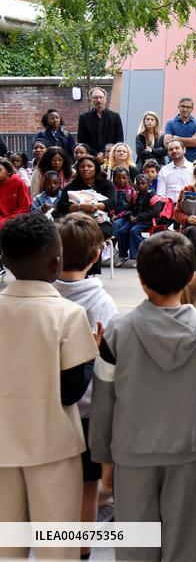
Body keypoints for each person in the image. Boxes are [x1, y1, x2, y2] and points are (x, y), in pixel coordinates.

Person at [89, 231, 196, 562]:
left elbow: (103, 402)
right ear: (189, 278)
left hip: (131, 456)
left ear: (140, 280)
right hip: (189, 457)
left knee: (135, 548)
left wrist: (104, 459)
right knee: (185, 548)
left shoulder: (117, 332)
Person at [0, 214, 97, 561]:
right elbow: (71, 391)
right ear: (56, 261)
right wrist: (91, 356)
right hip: (53, 446)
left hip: (3, 446)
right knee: (57, 544)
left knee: (6, 545)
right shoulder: (67, 314)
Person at [53, 214, 118, 558]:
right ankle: (82, 549)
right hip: (91, 411)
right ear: (96, 256)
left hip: (50, 409)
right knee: (86, 489)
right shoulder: (103, 302)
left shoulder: (47, 297)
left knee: (52, 483)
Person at [113, 173, 167, 267]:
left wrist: (138, 218)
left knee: (134, 231)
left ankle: (139, 255)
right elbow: (130, 207)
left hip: (147, 220)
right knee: (121, 231)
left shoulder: (153, 197)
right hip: (135, 219)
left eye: (143, 183)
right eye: (138, 183)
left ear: (148, 184)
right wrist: (129, 215)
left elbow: (154, 212)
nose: (140, 185)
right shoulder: (136, 195)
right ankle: (123, 255)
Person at [77, 87, 124, 159]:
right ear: (90, 100)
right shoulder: (84, 118)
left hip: (111, 157)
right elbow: (82, 141)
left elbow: (119, 140)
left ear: (105, 99)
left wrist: (106, 153)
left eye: (101, 97)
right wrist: (95, 154)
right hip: (91, 157)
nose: (98, 100)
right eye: (95, 98)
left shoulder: (115, 117)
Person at [163, 96, 196, 162]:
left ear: (192, 109)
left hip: (193, 162)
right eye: (183, 106)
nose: (185, 109)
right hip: (174, 162)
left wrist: (177, 139)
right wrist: (191, 141)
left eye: (188, 107)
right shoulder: (170, 123)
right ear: (178, 107)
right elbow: (167, 142)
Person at [0, 157, 32, 227]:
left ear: (8, 171)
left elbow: (25, 207)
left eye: (0, 170)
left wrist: (7, 221)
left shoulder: (18, 183)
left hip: (17, 221)